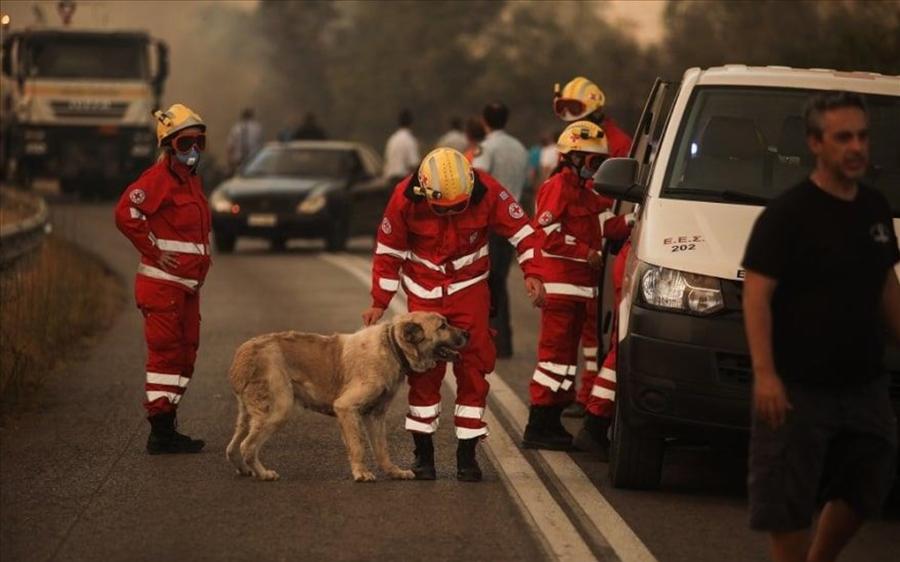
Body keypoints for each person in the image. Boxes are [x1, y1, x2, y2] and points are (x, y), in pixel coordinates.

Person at [742, 91, 899, 562]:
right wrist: (766, 374)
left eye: (863, 137)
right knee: (788, 505)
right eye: (843, 137)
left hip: (863, 386)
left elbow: (886, 285)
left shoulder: (873, 208)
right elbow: (756, 296)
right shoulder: (787, 215)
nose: (856, 147)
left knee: (867, 484)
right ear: (815, 143)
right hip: (797, 387)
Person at [363, 147, 544, 481]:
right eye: (442, 208)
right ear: (425, 191)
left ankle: (467, 456)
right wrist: (380, 300)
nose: (449, 214)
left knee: (474, 367)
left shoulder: (487, 190)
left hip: (469, 290)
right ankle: (424, 456)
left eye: (457, 207)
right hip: (423, 293)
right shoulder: (404, 196)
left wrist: (533, 272)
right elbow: (388, 252)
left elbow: (525, 233)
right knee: (423, 372)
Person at [522, 121, 633, 451]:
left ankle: (552, 419)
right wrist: (585, 252)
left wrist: (633, 220)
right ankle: (538, 423)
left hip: (580, 292)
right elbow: (546, 234)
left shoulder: (588, 194)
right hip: (561, 288)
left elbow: (605, 228)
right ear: (572, 157)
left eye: (599, 162)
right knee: (553, 359)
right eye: (591, 161)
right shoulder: (558, 186)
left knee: (565, 362)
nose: (595, 168)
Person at [114, 103, 212, 454]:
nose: (194, 150)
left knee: (186, 356)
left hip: (186, 288)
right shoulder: (158, 180)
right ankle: (160, 431)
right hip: (162, 286)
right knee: (166, 357)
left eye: (199, 142)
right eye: (185, 144)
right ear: (169, 147)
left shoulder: (191, 182)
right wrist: (154, 250)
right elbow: (126, 213)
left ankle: (167, 423)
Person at [552, 77, 635, 460]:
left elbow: (612, 201)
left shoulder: (617, 143)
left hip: (603, 240)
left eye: (573, 109)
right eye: (564, 110)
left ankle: (587, 395)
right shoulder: (580, 141)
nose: (567, 117)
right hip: (589, 241)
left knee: (595, 328)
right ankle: (582, 396)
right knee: (586, 329)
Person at [472, 102, 530, 358]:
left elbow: (478, 180)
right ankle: (502, 341)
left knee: (487, 281)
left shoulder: (486, 147)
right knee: (500, 279)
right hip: (512, 220)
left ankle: (492, 341)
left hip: (490, 221)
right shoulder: (519, 147)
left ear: (485, 121)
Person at [383, 108, 420, 187]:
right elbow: (413, 163)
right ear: (411, 123)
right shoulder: (409, 139)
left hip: (390, 180)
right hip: (403, 179)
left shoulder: (392, 139)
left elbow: (387, 160)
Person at [226, 107, 263, 175]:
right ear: (252, 116)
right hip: (255, 162)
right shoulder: (258, 128)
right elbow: (261, 146)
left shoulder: (236, 129)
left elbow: (230, 147)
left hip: (239, 162)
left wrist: (230, 165)